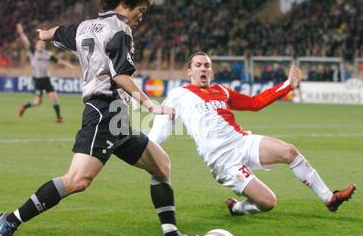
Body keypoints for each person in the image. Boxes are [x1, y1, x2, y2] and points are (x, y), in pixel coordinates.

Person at [0, 0, 198, 236]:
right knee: (77, 180)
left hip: (116, 116)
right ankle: (11, 220)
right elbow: (122, 76)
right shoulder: (120, 30)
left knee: (161, 165)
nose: (142, 16)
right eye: (142, 9)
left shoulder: (84, 27)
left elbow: (55, 31)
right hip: (103, 111)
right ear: (127, 3)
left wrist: (41, 34)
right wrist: (152, 106)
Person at [149, 52, 356, 216]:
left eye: (207, 65)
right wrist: (149, 146)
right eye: (198, 65)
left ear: (211, 71)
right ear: (189, 71)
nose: (203, 69)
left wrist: (288, 85)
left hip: (242, 142)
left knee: (289, 152)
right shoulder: (179, 94)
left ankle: (330, 198)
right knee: (268, 203)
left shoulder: (222, 90)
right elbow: (162, 125)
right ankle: (238, 208)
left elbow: (255, 103)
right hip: (223, 161)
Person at [16, 23, 73, 123]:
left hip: (46, 79)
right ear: (36, 45)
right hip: (38, 80)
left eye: (43, 44)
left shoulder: (47, 54)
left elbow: (57, 61)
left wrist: (67, 64)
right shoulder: (33, 52)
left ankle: (59, 118)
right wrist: (21, 34)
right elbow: (26, 43)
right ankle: (24, 106)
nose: (42, 45)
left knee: (54, 97)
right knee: (38, 102)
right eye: (40, 44)